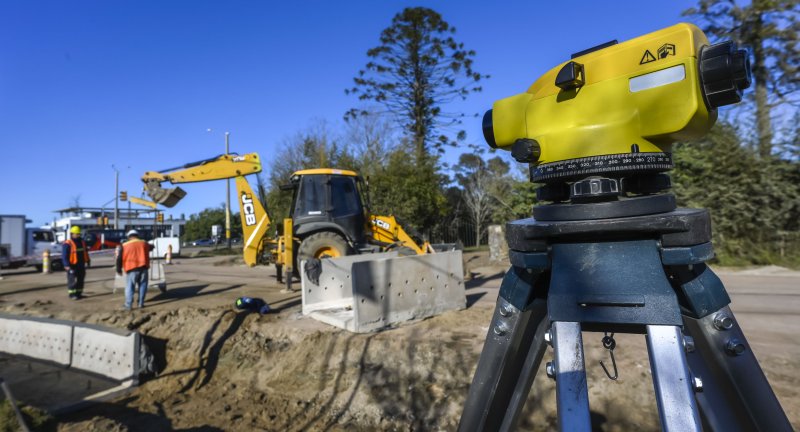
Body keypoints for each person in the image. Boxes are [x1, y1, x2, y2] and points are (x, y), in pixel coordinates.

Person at [116, 230, 153, 310]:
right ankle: (141, 304)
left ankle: (128, 305)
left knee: (130, 287)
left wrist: (118, 269)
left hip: (131, 268)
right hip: (144, 268)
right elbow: (151, 247)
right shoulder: (144, 243)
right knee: (143, 286)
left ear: (129, 237)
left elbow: (119, 258)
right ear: (137, 235)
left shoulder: (124, 245)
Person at [62, 225, 90, 299]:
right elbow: (64, 255)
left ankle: (78, 293)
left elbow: (85, 252)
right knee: (72, 280)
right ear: (72, 234)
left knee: (80, 280)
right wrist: (66, 265)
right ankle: (72, 294)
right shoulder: (67, 243)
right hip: (72, 265)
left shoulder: (82, 242)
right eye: (76, 234)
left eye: (79, 234)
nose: (78, 235)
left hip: (81, 264)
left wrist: (88, 261)